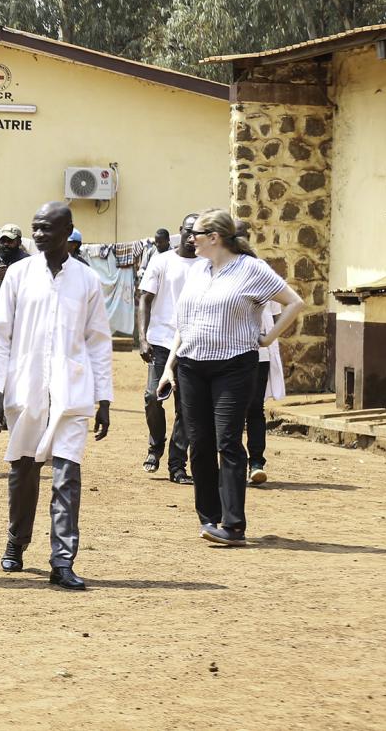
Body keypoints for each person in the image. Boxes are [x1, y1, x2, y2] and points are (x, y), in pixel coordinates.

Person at [0, 201, 113, 591]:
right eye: (35, 227)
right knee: (23, 472)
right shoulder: (19, 275)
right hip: (27, 388)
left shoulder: (86, 280)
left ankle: (62, 560)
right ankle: (16, 541)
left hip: (72, 389)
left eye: (47, 228)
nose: (38, 234)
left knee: (67, 475)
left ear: (67, 231)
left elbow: (98, 341)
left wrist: (104, 398)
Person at [156, 209, 304, 546]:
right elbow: (185, 324)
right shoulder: (198, 270)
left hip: (233, 366)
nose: (189, 239)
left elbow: (294, 302)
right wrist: (169, 367)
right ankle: (209, 519)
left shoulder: (251, 269)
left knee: (228, 442)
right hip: (192, 366)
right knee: (200, 444)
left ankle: (234, 526)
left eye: (195, 233)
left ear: (215, 237)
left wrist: (267, 338)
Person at [135, 213, 200, 483]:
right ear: (180, 230)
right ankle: (156, 446)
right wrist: (142, 337)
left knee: (187, 407)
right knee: (153, 397)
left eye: (198, 233)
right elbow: (145, 299)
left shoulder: (207, 265)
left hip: (193, 345)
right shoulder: (162, 261)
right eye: (188, 231)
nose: (192, 237)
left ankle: (177, 464)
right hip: (161, 342)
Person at [234, 220, 285, 486]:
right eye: (235, 235)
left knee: (255, 407)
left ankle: (256, 463)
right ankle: (232, 464)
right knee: (231, 410)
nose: (239, 240)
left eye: (242, 235)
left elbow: (276, 313)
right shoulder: (217, 269)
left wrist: (267, 340)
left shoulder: (261, 270)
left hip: (257, 354)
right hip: (226, 351)